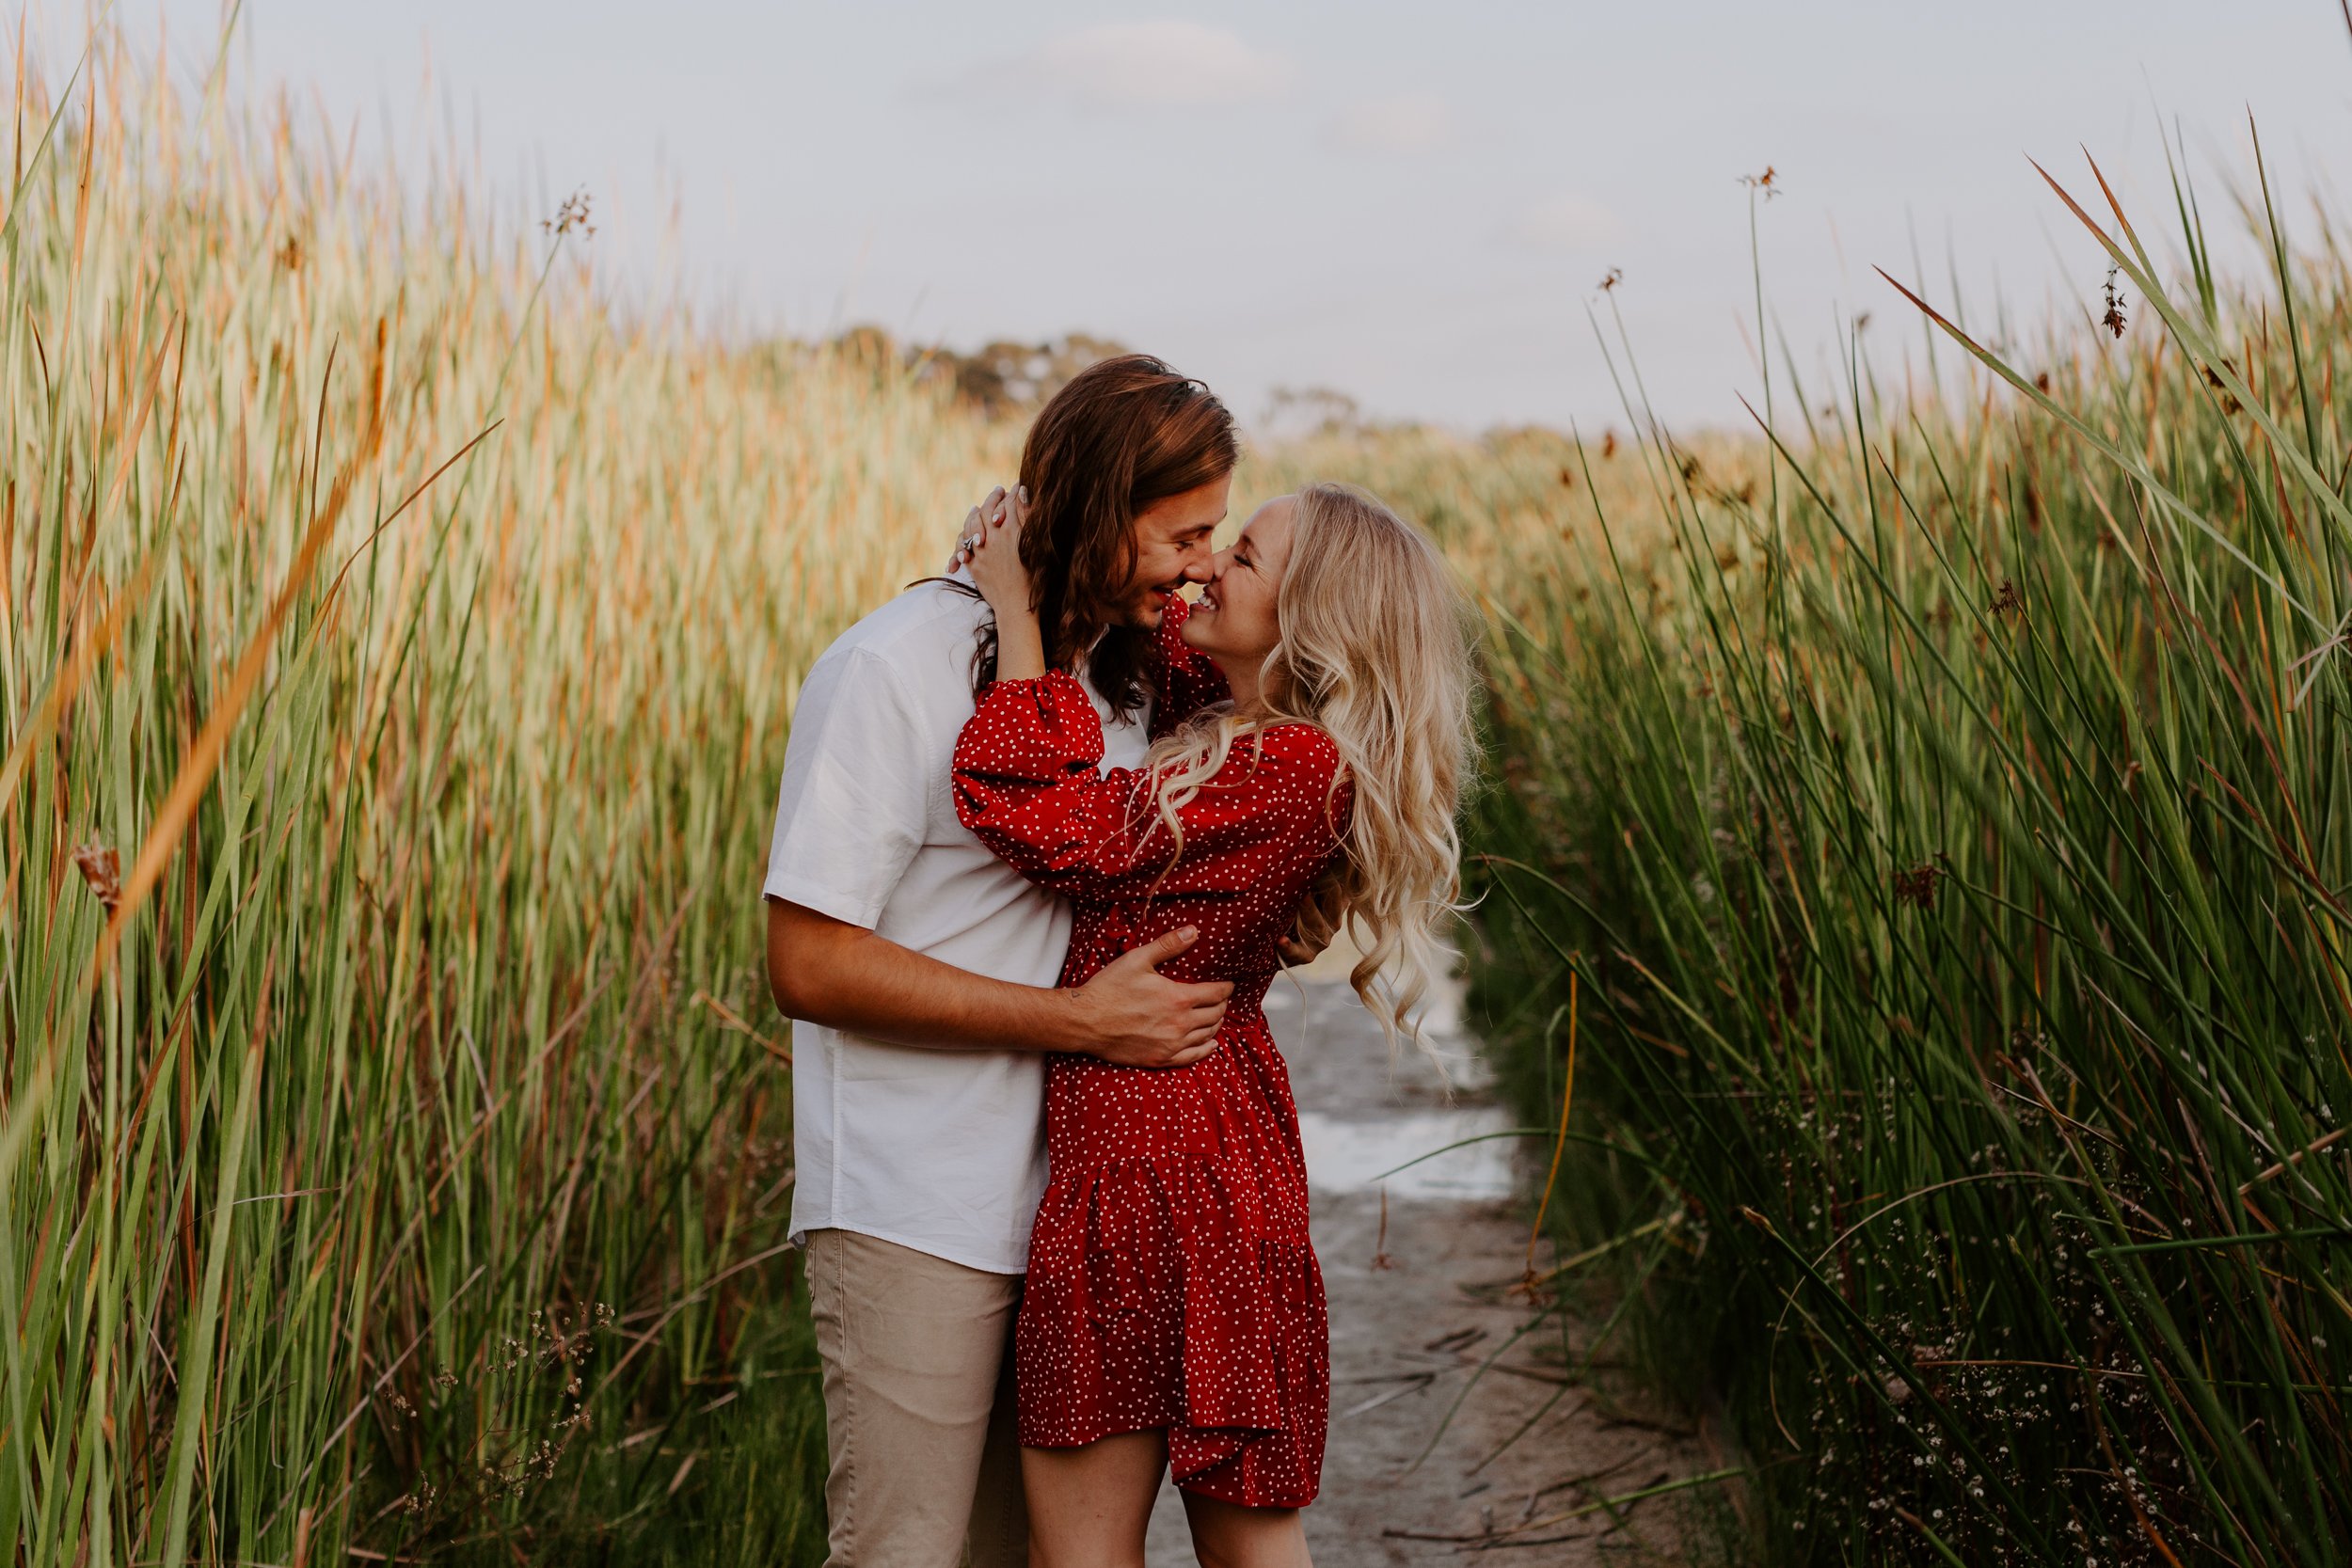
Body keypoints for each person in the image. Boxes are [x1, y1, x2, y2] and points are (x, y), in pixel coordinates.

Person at [761, 356, 1253, 1567]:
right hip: (914, 1200)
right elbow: (808, 963)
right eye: (1181, 533)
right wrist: (1079, 1021)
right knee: (905, 1551)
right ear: (1096, 510)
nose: (1201, 562)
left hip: (1072, 1210)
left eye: (1218, 537)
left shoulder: (1119, 676)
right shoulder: (893, 667)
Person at [951, 479, 1477, 1567]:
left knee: (1153, 1546)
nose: (1203, 568)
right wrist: (1085, 555)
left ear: (1313, 614)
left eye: (1238, 556)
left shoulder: (1291, 766)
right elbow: (1144, 639)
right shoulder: (1241, 723)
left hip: (1159, 1162)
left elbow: (1040, 811)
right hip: (1182, 1151)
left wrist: (1010, 615)